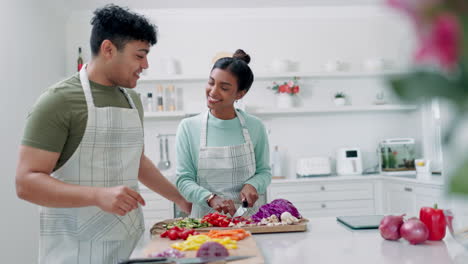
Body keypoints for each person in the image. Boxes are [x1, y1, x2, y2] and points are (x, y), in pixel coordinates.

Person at [15, 4, 191, 263]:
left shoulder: (133, 100)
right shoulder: (59, 101)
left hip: (130, 245)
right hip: (73, 252)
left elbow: (137, 161)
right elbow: (26, 183)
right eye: (139, 55)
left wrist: (182, 200)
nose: (146, 64)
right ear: (109, 49)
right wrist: (97, 196)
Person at [175, 49, 272, 218]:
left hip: (248, 221)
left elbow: (264, 172)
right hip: (205, 222)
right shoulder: (188, 127)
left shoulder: (255, 126)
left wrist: (253, 185)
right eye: (211, 82)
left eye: (224, 87)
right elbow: (183, 180)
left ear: (240, 94)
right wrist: (210, 198)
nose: (213, 91)